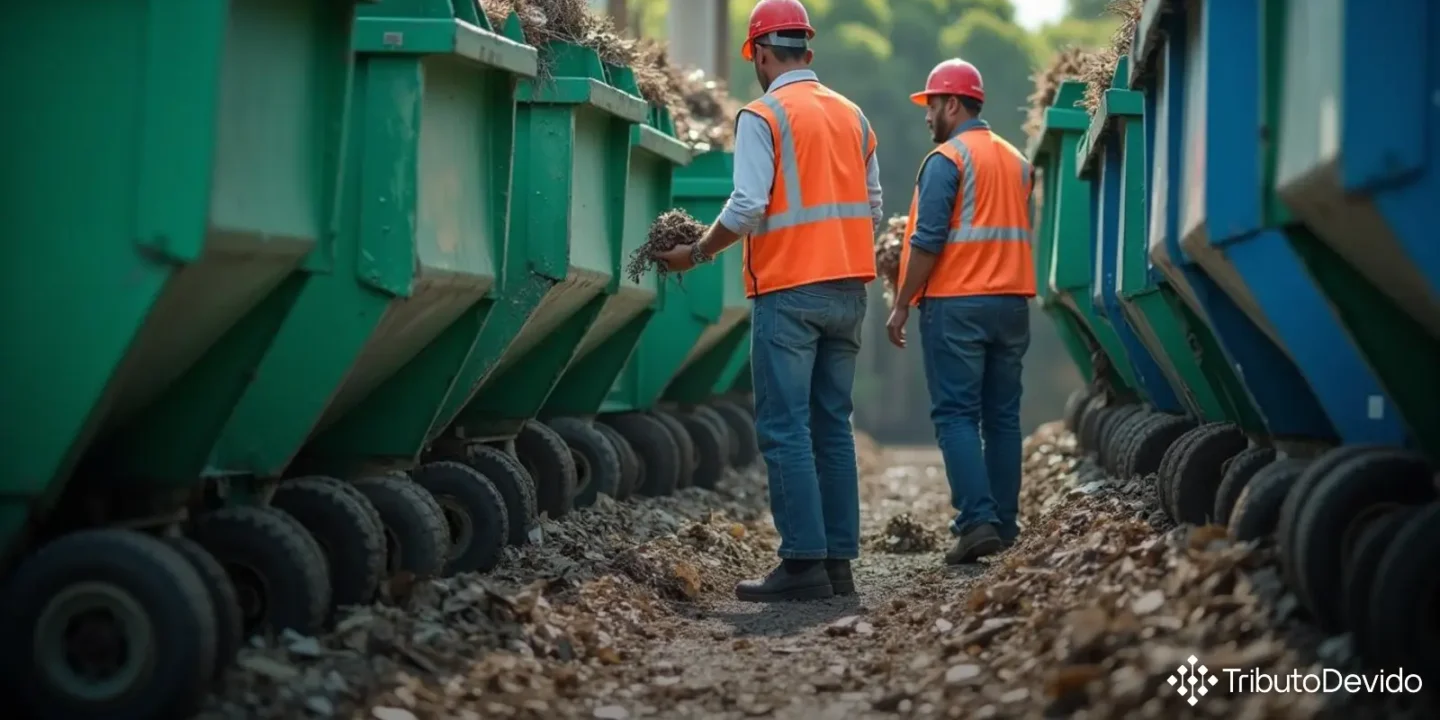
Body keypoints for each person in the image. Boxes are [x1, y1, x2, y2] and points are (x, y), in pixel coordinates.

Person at [653, 0, 882, 602]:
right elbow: (874, 206)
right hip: (849, 293)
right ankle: (837, 564)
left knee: (785, 429)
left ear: (757, 51)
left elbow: (748, 206)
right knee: (832, 427)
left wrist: (698, 252)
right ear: (807, 48)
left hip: (789, 293)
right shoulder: (853, 115)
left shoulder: (763, 114)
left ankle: (802, 562)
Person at [885, 59, 1037, 565]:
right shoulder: (1018, 161)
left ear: (952, 104)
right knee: (1002, 417)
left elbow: (928, 241)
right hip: (1012, 303)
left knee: (955, 415)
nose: (927, 117)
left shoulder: (946, 161)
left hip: (958, 304)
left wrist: (902, 302)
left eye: (931, 105)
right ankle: (1005, 524)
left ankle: (976, 523)